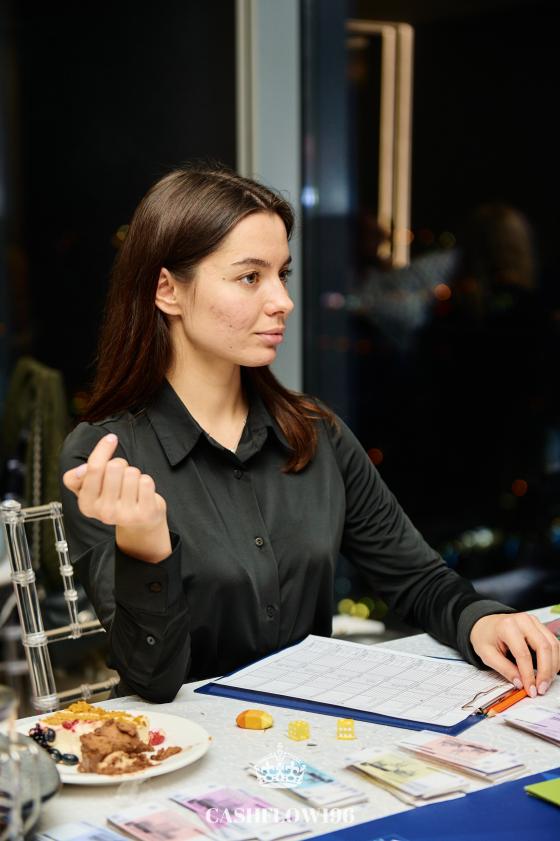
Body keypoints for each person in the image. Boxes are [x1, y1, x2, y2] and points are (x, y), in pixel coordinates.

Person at [60, 165, 560, 703]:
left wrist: (481, 620)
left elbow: (416, 578)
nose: (282, 301)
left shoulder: (315, 434)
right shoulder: (107, 458)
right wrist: (146, 548)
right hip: (189, 748)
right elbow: (152, 680)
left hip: (311, 738)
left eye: (282, 274)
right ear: (168, 291)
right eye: (250, 277)